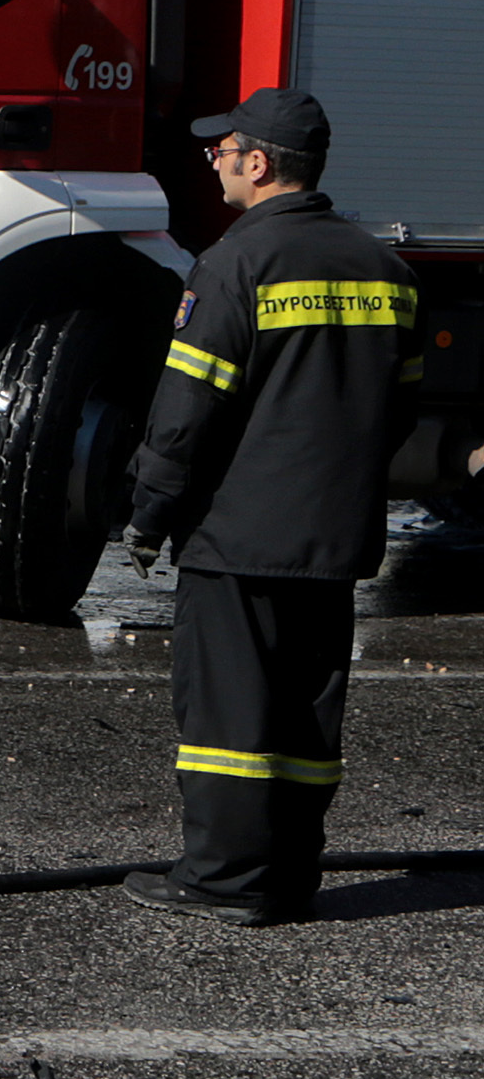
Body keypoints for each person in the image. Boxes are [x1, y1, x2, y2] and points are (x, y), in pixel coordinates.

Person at [120, 87, 419, 926]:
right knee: (303, 711)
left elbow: (186, 410)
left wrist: (148, 510)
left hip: (237, 534)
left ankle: (220, 879)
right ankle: (288, 875)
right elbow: (398, 410)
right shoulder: (384, 269)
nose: (212, 160)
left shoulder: (233, 265)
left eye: (223, 149)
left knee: (229, 712)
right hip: (334, 538)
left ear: (258, 163)